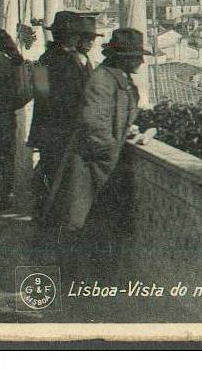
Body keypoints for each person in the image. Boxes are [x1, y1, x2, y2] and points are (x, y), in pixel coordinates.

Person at [43, 28, 150, 278]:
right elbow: (94, 125)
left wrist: (127, 131)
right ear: (121, 57)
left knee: (95, 225)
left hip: (96, 161)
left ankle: (89, 279)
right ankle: (78, 284)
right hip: (92, 164)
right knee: (80, 223)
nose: (141, 61)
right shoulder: (102, 80)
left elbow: (110, 117)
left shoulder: (116, 78)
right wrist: (112, 154)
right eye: (135, 56)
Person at [28, 11, 100, 215]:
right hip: (64, 131)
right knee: (61, 179)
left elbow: (40, 95)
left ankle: (44, 215)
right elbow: (74, 99)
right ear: (71, 36)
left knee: (49, 174)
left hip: (47, 129)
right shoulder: (68, 62)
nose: (80, 38)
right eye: (77, 34)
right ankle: (51, 222)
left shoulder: (44, 59)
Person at [0, 28, 25, 211]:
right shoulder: (2, 64)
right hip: (4, 117)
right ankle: (1, 198)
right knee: (7, 158)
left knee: (3, 157)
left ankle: (1, 197)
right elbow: (11, 94)